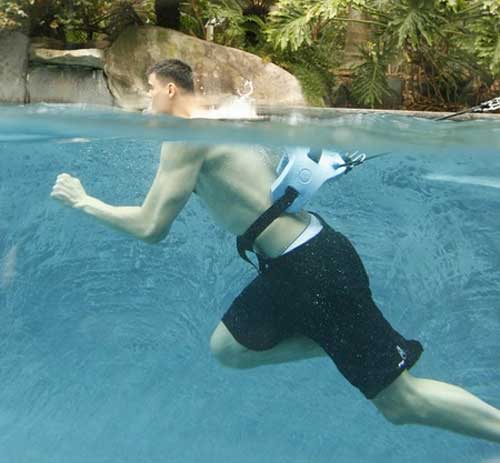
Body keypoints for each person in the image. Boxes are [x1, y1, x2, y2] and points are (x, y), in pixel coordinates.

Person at [51, 58, 500, 444]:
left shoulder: (184, 135)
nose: (146, 102)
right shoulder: (226, 117)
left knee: (401, 402)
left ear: (170, 90)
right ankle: (331, 340)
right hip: (297, 263)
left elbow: (151, 227)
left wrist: (84, 202)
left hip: (312, 269)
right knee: (229, 348)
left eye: (149, 90)